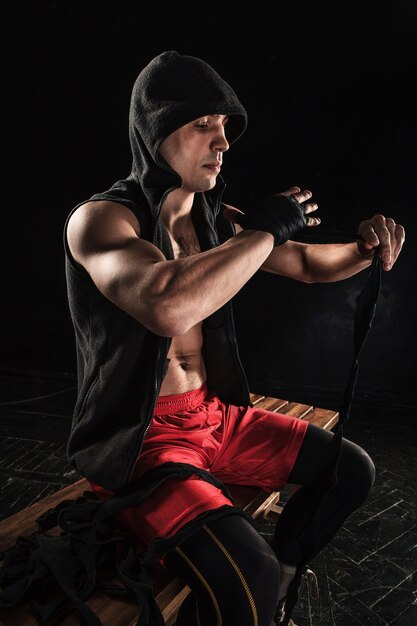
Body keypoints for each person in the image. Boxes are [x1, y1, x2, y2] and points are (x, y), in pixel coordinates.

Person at [63, 51, 405, 626]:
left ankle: (274, 594)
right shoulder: (101, 221)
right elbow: (166, 305)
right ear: (155, 131)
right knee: (249, 571)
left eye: (225, 128)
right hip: (142, 439)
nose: (222, 142)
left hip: (213, 418)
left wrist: (365, 249)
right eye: (203, 125)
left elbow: (305, 263)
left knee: (350, 470)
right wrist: (267, 229)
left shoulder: (215, 221)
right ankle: (255, 589)